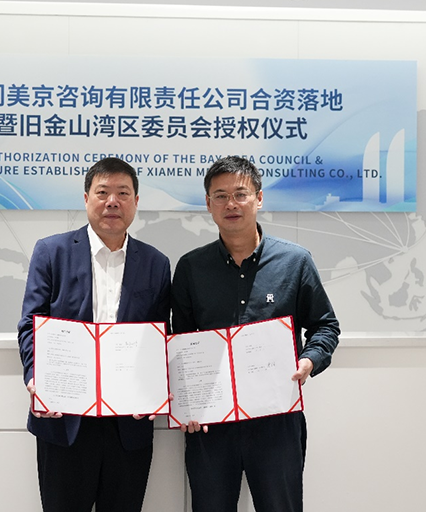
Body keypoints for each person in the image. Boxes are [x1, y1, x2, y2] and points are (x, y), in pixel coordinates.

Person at [171, 155, 340, 512]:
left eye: (240, 194)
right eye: (220, 196)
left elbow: (325, 325)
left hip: (276, 419)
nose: (231, 204)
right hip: (211, 424)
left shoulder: (295, 262)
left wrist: (309, 360)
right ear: (208, 204)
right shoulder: (190, 267)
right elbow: (181, 342)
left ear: (259, 198)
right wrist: (186, 400)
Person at [17, 157, 171, 512]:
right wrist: (36, 377)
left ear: (136, 202)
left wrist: (154, 388)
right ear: (86, 198)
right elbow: (31, 324)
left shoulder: (156, 263)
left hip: (127, 424)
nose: (112, 202)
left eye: (123, 193)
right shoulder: (51, 252)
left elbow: (160, 337)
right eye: (103, 192)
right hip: (64, 419)